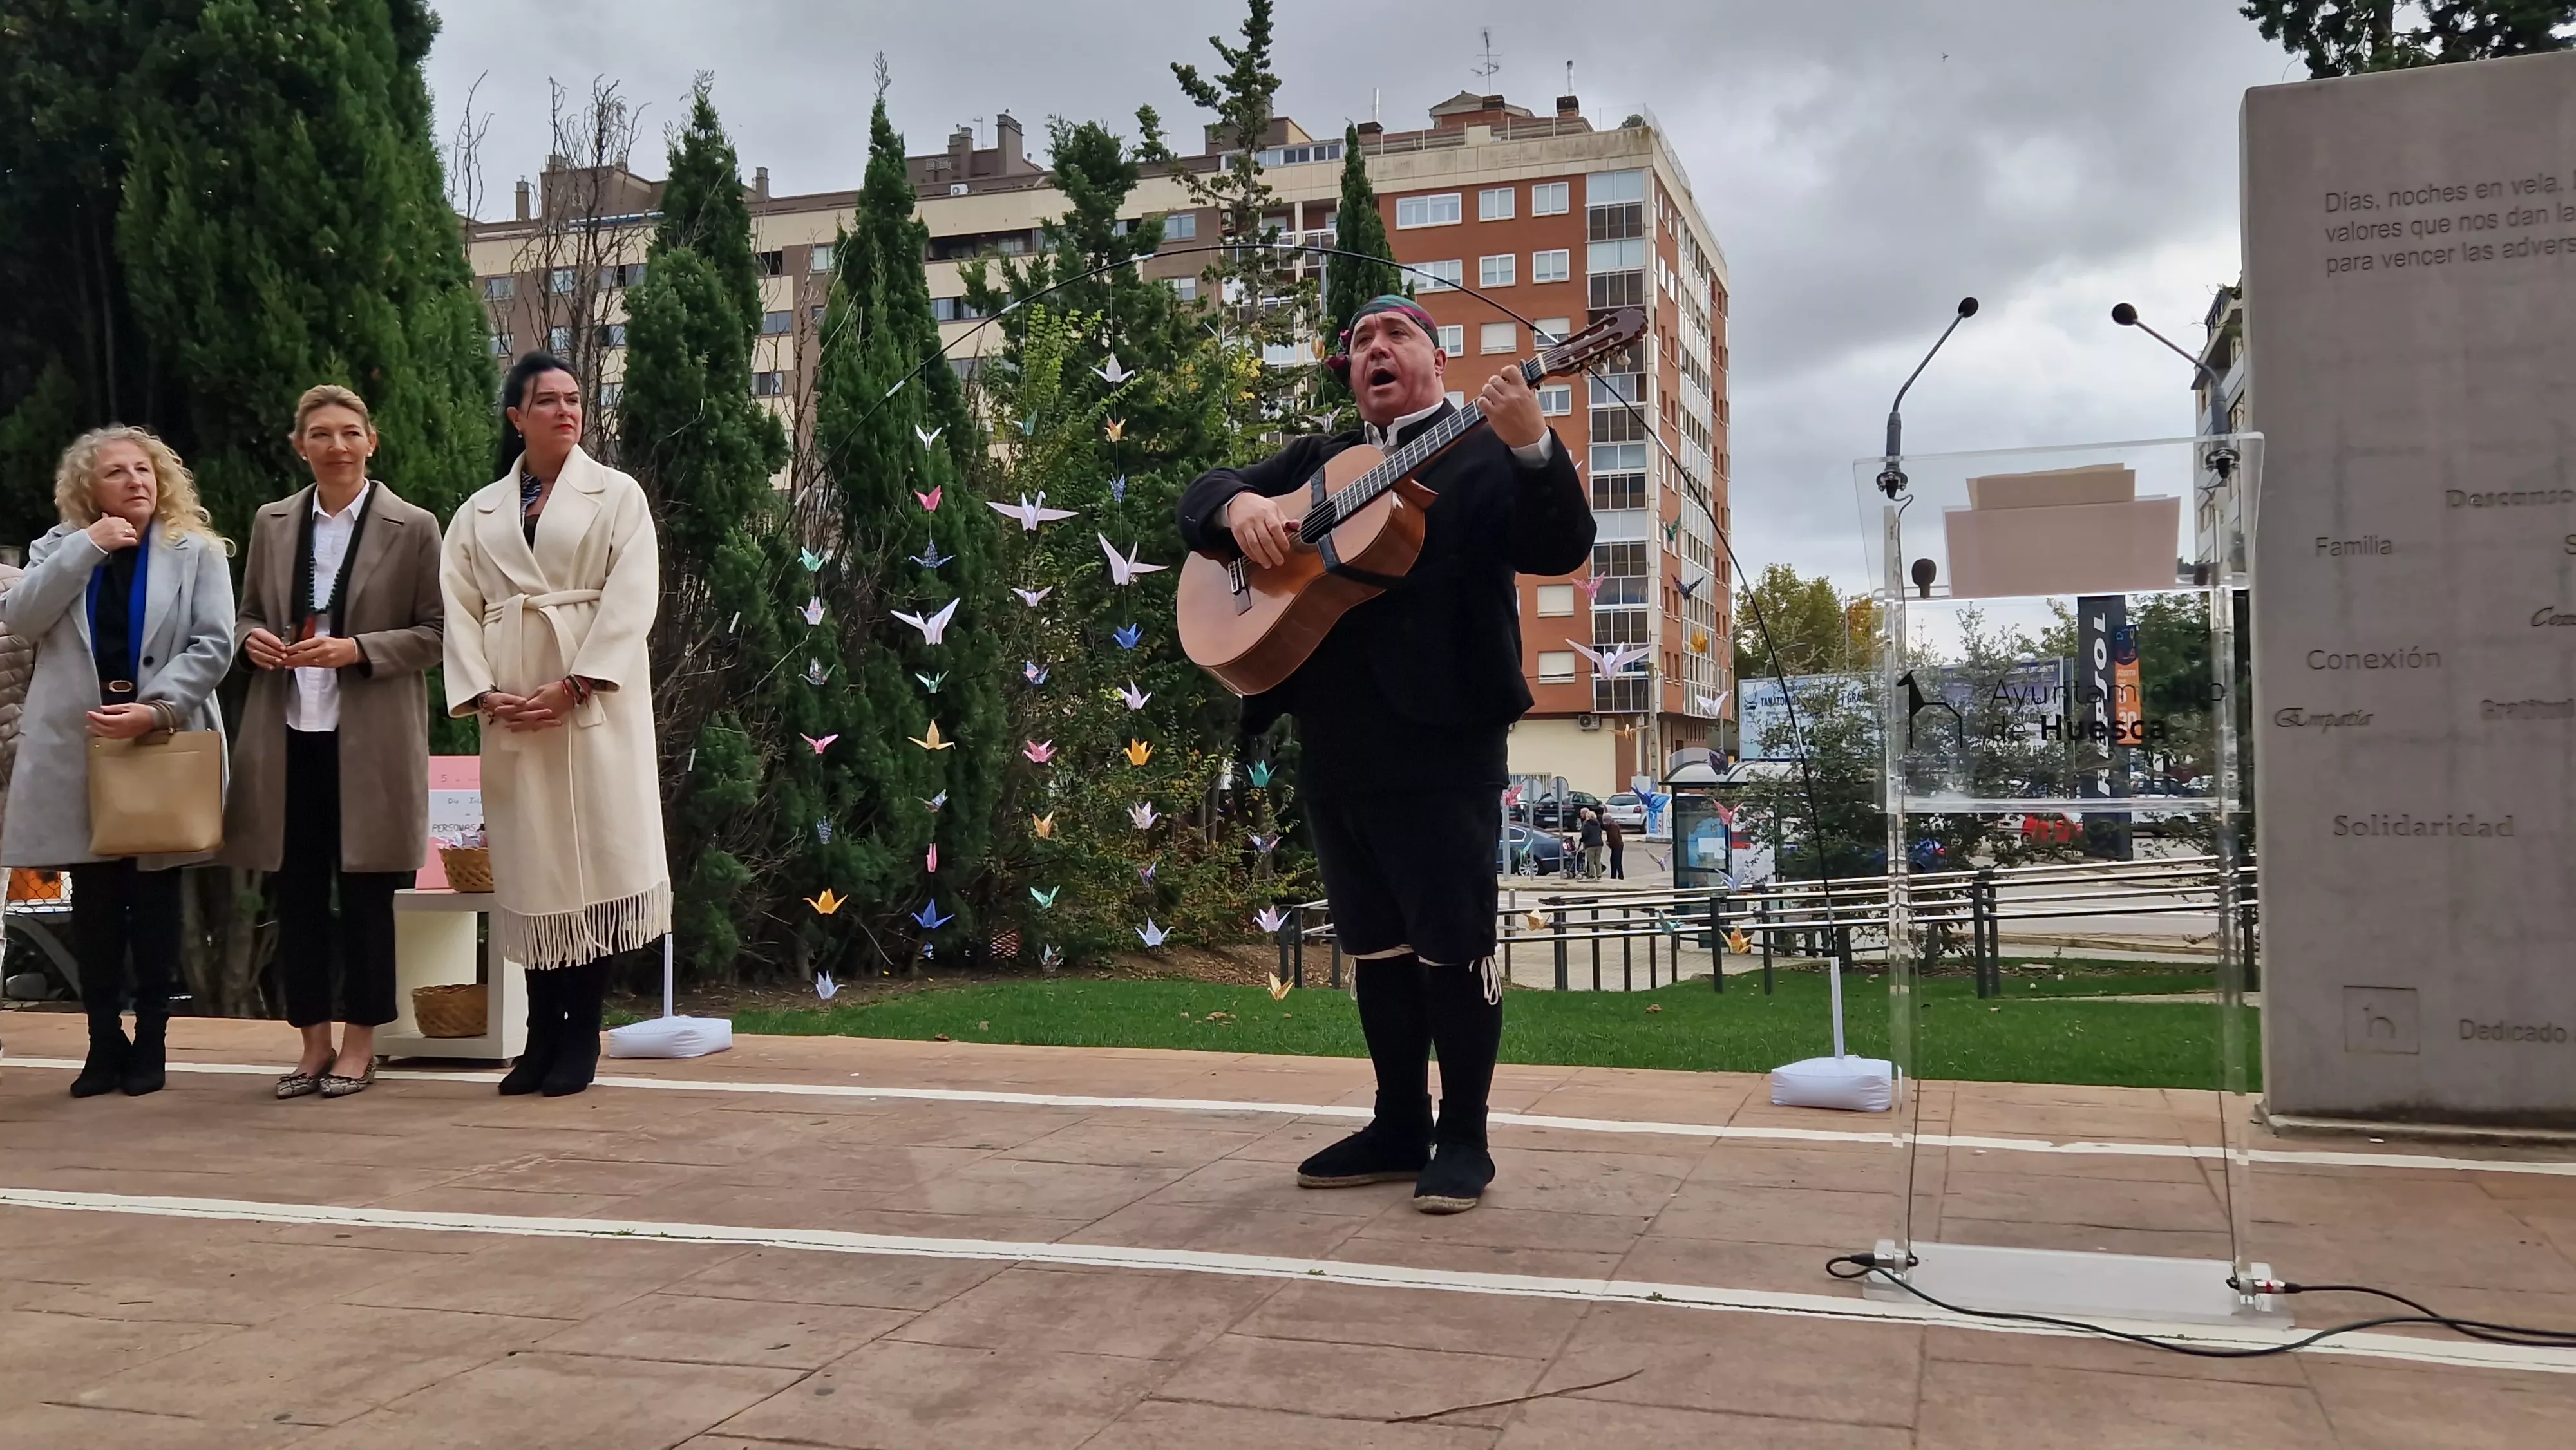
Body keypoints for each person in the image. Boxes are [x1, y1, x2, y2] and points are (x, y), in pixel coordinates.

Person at [1178, 295, 1592, 1213]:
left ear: (1437, 362)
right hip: (1336, 733)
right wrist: (1241, 504)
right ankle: (1399, 1121)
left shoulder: (1484, 450)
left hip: (1446, 735)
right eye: (1361, 340)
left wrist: (1533, 444)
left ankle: (1466, 1137)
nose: (1375, 349)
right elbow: (1199, 496)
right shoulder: (1322, 464)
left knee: (1452, 947)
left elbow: (1562, 545)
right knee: (1377, 948)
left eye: (1396, 335)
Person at [442, 353, 667, 1098]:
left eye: (575, 399)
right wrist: (484, 694)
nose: (566, 411)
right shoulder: (476, 512)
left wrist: (576, 682)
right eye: (548, 401)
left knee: (595, 863)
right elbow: (458, 609)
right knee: (536, 867)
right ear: (516, 416)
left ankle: (581, 1038)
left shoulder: (618, 495)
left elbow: (633, 598)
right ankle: (540, 1036)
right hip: (515, 708)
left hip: (592, 701)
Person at [225, 386, 446, 1100]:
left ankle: (360, 1043)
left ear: (371, 441)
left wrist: (355, 648)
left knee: (366, 896)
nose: (336, 446)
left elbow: (438, 635)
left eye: (350, 432)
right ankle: (312, 1042)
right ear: (300, 446)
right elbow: (249, 611)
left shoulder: (412, 526)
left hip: (370, 743)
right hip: (288, 735)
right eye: (320, 434)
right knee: (297, 893)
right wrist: (248, 638)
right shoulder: (273, 521)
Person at [0, 426, 234, 1097]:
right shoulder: (58, 547)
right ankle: (104, 1043)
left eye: (145, 469)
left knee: (156, 900)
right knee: (95, 902)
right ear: (87, 488)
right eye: (117, 472)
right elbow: (24, 615)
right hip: (80, 745)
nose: (136, 481)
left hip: (158, 737)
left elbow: (213, 644)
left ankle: (153, 1043)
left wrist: (157, 708)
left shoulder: (196, 551)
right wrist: (85, 548)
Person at [1578, 807, 1605, 880]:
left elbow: (1585, 834)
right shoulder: (1597, 823)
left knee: (1591, 860)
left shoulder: (1587, 824)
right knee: (1598, 860)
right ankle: (1599, 875)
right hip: (1599, 844)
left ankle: (1592, 874)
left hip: (1591, 845)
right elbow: (1600, 833)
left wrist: (1581, 840)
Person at [1604, 811, 1625, 881]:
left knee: (1616, 861)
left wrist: (1609, 843)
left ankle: (1619, 876)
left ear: (1608, 819)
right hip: (1617, 846)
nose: (1604, 822)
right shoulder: (1612, 825)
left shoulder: (1613, 826)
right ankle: (1615, 875)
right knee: (1614, 860)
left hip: (1617, 846)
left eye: (1605, 820)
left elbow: (1614, 837)